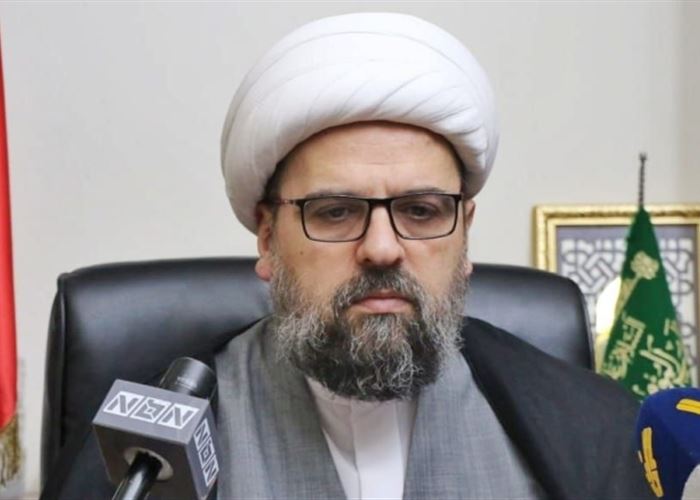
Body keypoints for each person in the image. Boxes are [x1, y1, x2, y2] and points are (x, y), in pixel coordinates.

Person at [215, 12, 653, 500]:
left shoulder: (596, 427)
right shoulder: (163, 441)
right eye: (335, 212)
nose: (382, 249)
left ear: (465, 233)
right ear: (268, 236)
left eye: (420, 211)